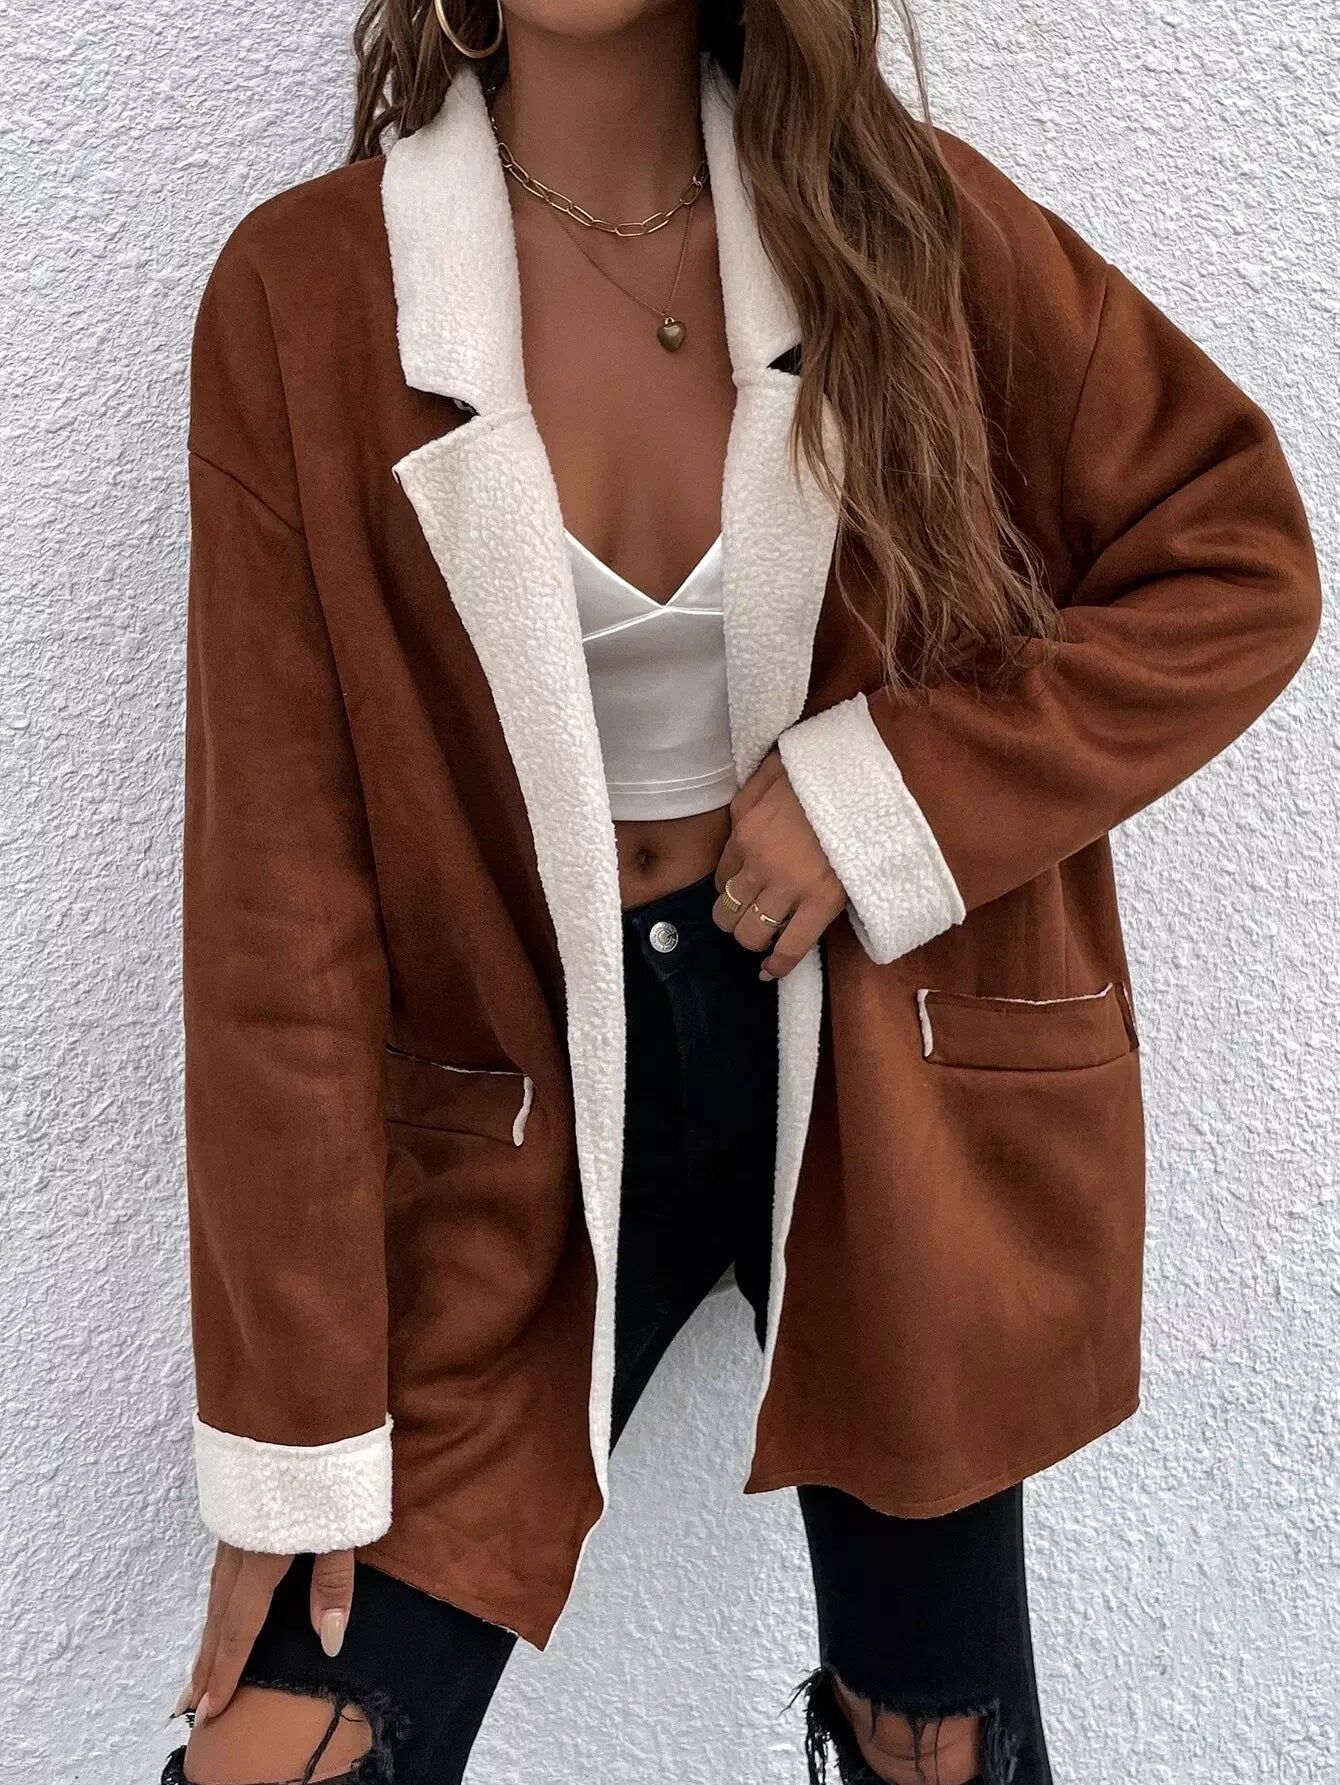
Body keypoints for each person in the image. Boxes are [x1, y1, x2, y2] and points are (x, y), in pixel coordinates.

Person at [163, 0, 1321, 1780]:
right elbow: (277, 909)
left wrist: (886, 797)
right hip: (518, 1116)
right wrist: (292, 1445)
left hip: (875, 1087)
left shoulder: (902, 228)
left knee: (934, 1738)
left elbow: (1235, 557)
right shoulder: (306, 295)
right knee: (286, 1750)